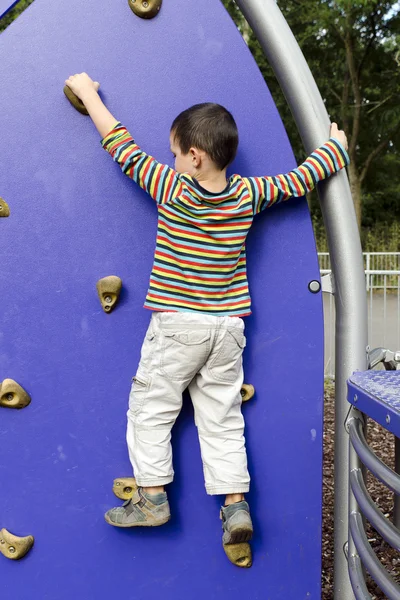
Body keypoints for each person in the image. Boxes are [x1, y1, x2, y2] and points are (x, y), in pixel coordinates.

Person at [64, 72, 349, 562]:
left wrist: (89, 93)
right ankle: (236, 506)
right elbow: (303, 177)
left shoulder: (172, 187)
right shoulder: (248, 195)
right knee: (221, 418)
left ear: (193, 156)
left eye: (176, 152)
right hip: (227, 330)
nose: (171, 159)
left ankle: (152, 498)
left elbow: (120, 144)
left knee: (150, 410)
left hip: (178, 327)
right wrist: (335, 148)